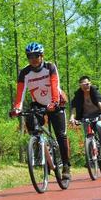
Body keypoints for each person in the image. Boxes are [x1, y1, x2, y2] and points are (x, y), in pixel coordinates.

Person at [10, 42, 71, 180]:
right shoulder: (25, 72)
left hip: (56, 103)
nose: (33, 59)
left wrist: (55, 102)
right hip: (38, 104)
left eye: (36, 56)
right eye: (29, 56)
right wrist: (16, 108)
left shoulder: (50, 67)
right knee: (31, 124)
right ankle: (43, 154)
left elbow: (55, 85)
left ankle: (66, 166)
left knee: (61, 135)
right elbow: (20, 92)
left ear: (41, 56)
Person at [69, 75, 101, 156]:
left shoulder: (93, 91)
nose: (86, 86)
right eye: (83, 84)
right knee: (88, 135)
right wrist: (72, 118)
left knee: (99, 126)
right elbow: (74, 108)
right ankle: (90, 156)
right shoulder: (78, 95)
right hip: (86, 117)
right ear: (80, 85)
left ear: (90, 84)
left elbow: (99, 102)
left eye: (87, 84)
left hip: (98, 115)